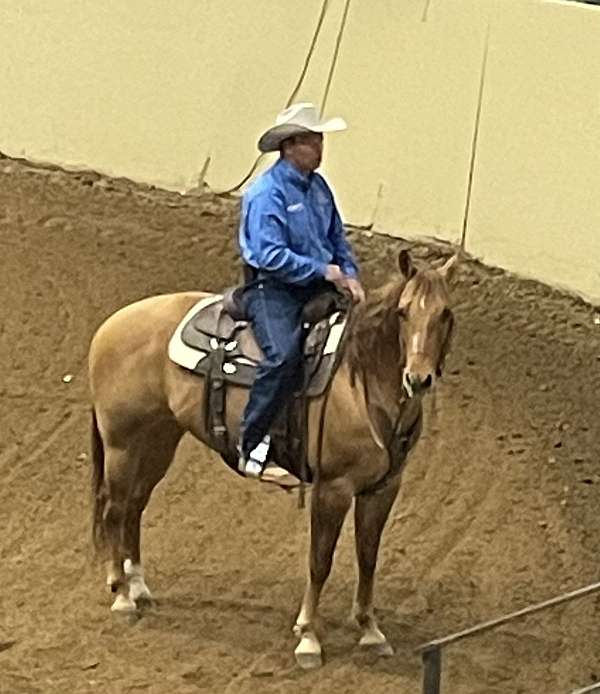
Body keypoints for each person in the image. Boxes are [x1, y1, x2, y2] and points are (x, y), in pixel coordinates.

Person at [237, 102, 365, 478]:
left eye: (320, 139)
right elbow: (268, 254)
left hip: (316, 285)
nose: (320, 147)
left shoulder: (320, 189)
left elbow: (337, 238)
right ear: (290, 145)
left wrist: (350, 273)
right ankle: (252, 441)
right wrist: (322, 270)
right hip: (272, 289)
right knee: (282, 355)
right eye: (312, 140)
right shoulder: (266, 194)